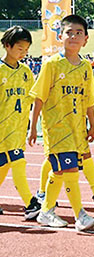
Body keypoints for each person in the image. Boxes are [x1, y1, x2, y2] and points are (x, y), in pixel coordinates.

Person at [28, 15, 94, 231]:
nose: (74, 36)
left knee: (58, 172)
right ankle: (81, 215)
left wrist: (93, 124)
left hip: (77, 129)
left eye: (79, 33)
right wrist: (33, 127)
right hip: (57, 128)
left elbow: (89, 99)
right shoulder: (51, 64)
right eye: (69, 32)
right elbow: (38, 97)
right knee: (69, 171)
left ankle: (46, 211)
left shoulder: (86, 68)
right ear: (60, 36)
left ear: (86, 39)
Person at [0, 26, 41, 220]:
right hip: (2, 130)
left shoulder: (26, 72)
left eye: (26, 50)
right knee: (18, 163)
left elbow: (31, 101)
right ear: (7, 46)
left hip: (18, 130)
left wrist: (32, 127)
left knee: (4, 165)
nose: (23, 53)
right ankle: (30, 203)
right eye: (20, 48)